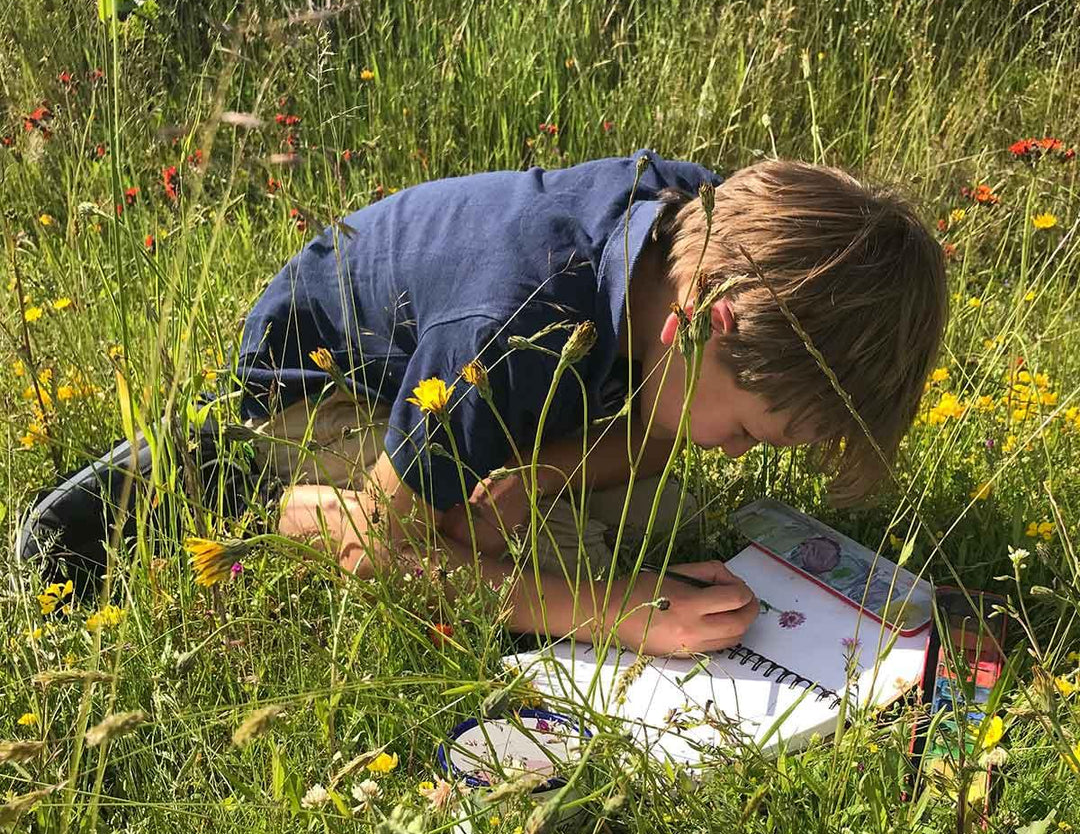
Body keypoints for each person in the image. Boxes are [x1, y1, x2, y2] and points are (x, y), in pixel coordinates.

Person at [16, 150, 947, 655]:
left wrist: (544, 469)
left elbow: (659, 443)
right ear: (705, 322)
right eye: (748, 432)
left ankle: (421, 488)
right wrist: (606, 610)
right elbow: (377, 551)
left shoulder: (702, 228)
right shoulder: (508, 331)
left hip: (499, 380)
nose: (739, 453)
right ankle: (248, 490)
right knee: (520, 560)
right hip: (336, 386)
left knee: (658, 507)